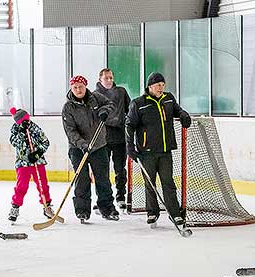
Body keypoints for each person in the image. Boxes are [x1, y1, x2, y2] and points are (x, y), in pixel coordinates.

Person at [125, 72, 191, 226]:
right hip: (146, 152)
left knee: (168, 182)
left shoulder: (168, 99)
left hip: (165, 150)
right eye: (158, 85)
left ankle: (174, 214)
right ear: (150, 86)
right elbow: (129, 125)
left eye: (163, 85)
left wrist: (183, 115)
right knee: (150, 183)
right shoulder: (139, 103)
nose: (161, 87)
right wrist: (129, 145)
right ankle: (152, 212)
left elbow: (177, 110)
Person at [62, 75, 119, 222]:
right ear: (71, 89)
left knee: (103, 179)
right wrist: (82, 144)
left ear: (85, 86)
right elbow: (70, 131)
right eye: (75, 87)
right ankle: (82, 210)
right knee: (81, 179)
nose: (78, 89)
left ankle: (107, 209)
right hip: (77, 148)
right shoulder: (68, 107)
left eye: (81, 86)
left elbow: (111, 104)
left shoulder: (96, 98)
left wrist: (105, 111)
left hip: (99, 145)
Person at [8, 107, 54, 223]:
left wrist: (38, 153)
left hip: (37, 162)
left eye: (27, 119)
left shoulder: (34, 127)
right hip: (23, 163)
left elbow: (45, 142)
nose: (27, 122)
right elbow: (14, 142)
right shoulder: (15, 130)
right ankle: (15, 207)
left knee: (43, 184)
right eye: (24, 120)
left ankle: (47, 206)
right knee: (21, 186)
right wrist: (22, 133)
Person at [94, 68, 131, 210]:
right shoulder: (95, 95)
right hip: (102, 138)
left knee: (120, 169)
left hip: (120, 137)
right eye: (106, 78)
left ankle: (121, 197)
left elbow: (130, 110)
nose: (109, 80)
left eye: (111, 78)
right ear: (100, 80)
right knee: (102, 171)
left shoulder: (121, 92)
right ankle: (102, 199)